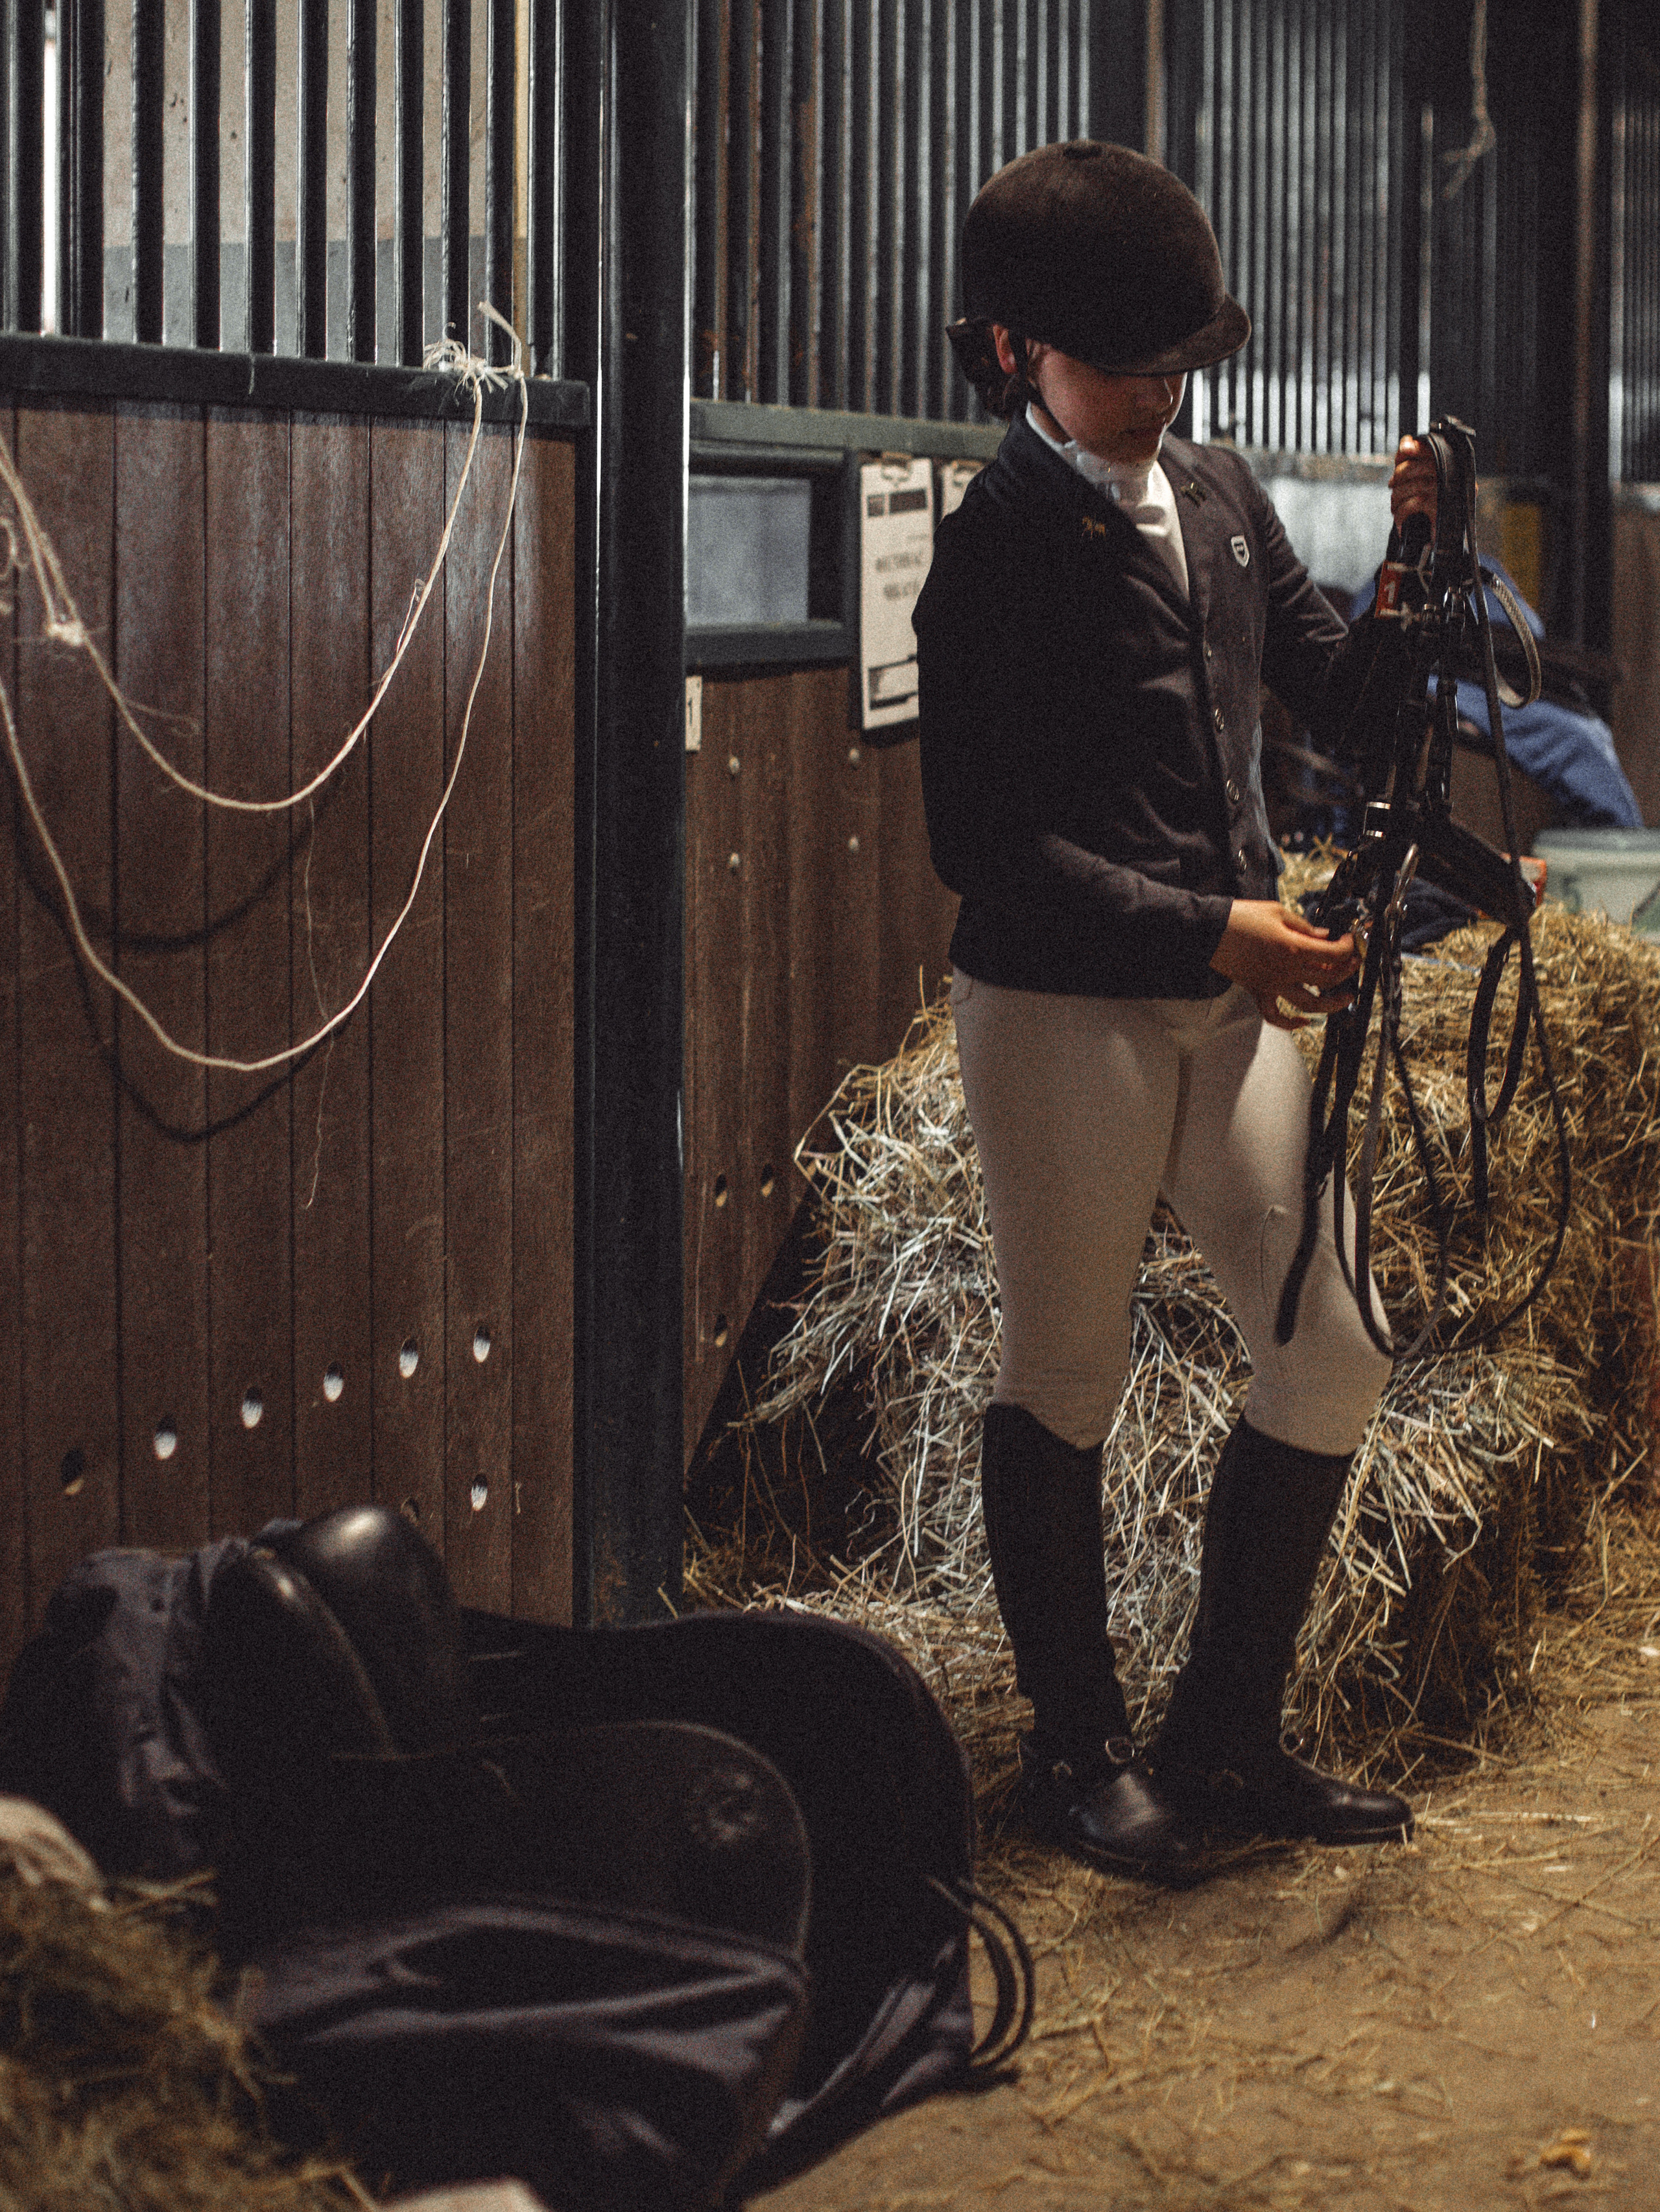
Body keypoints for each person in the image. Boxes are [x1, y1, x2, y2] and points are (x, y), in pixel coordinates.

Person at [915, 140, 1433, 1879]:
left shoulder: (1214, 500)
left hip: (1227, 998)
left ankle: (1225, 1729)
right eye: (1121, 367)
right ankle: (1080, 1753)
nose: (1155, 391)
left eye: (1172, 365)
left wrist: (1409, 583)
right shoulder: (988, 552)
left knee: (1336, 1341)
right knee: (1066, 1367)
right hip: (1068, 1012)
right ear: (1013, 357)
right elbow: (982, 847)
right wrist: (1214, 925)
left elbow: (1343, 706)